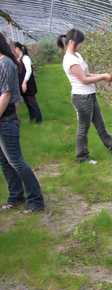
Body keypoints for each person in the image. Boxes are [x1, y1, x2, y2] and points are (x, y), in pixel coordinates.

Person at [57, 29, 112, 163]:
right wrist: (103, 77)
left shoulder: (77, 56)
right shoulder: (69, 60)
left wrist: (103, 75)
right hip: (81, 98)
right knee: (83, 128)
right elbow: (84, 80)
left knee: (100, 125)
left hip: (90, 95)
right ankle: (82, 157)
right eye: (80, 43)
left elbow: (87, 74)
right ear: (72, 42)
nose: (81, 45)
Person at [0, 32, 44, 212]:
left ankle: (36, 201)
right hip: (4, 119)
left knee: (16, 160)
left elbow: (6, 94)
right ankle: (16, 196)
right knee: (5, 162)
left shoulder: (6, 64)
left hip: (5, 120)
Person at [13, 42, 43, 124]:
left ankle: (39, 119)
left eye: (14, 48)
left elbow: (29, 70)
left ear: (18, 48)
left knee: (32, 101)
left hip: (28, 84)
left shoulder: (25, 58)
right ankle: (32, 117)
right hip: (22, 83)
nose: (14, 50)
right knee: (27, 102)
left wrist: (24, 83)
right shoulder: (20, 58)